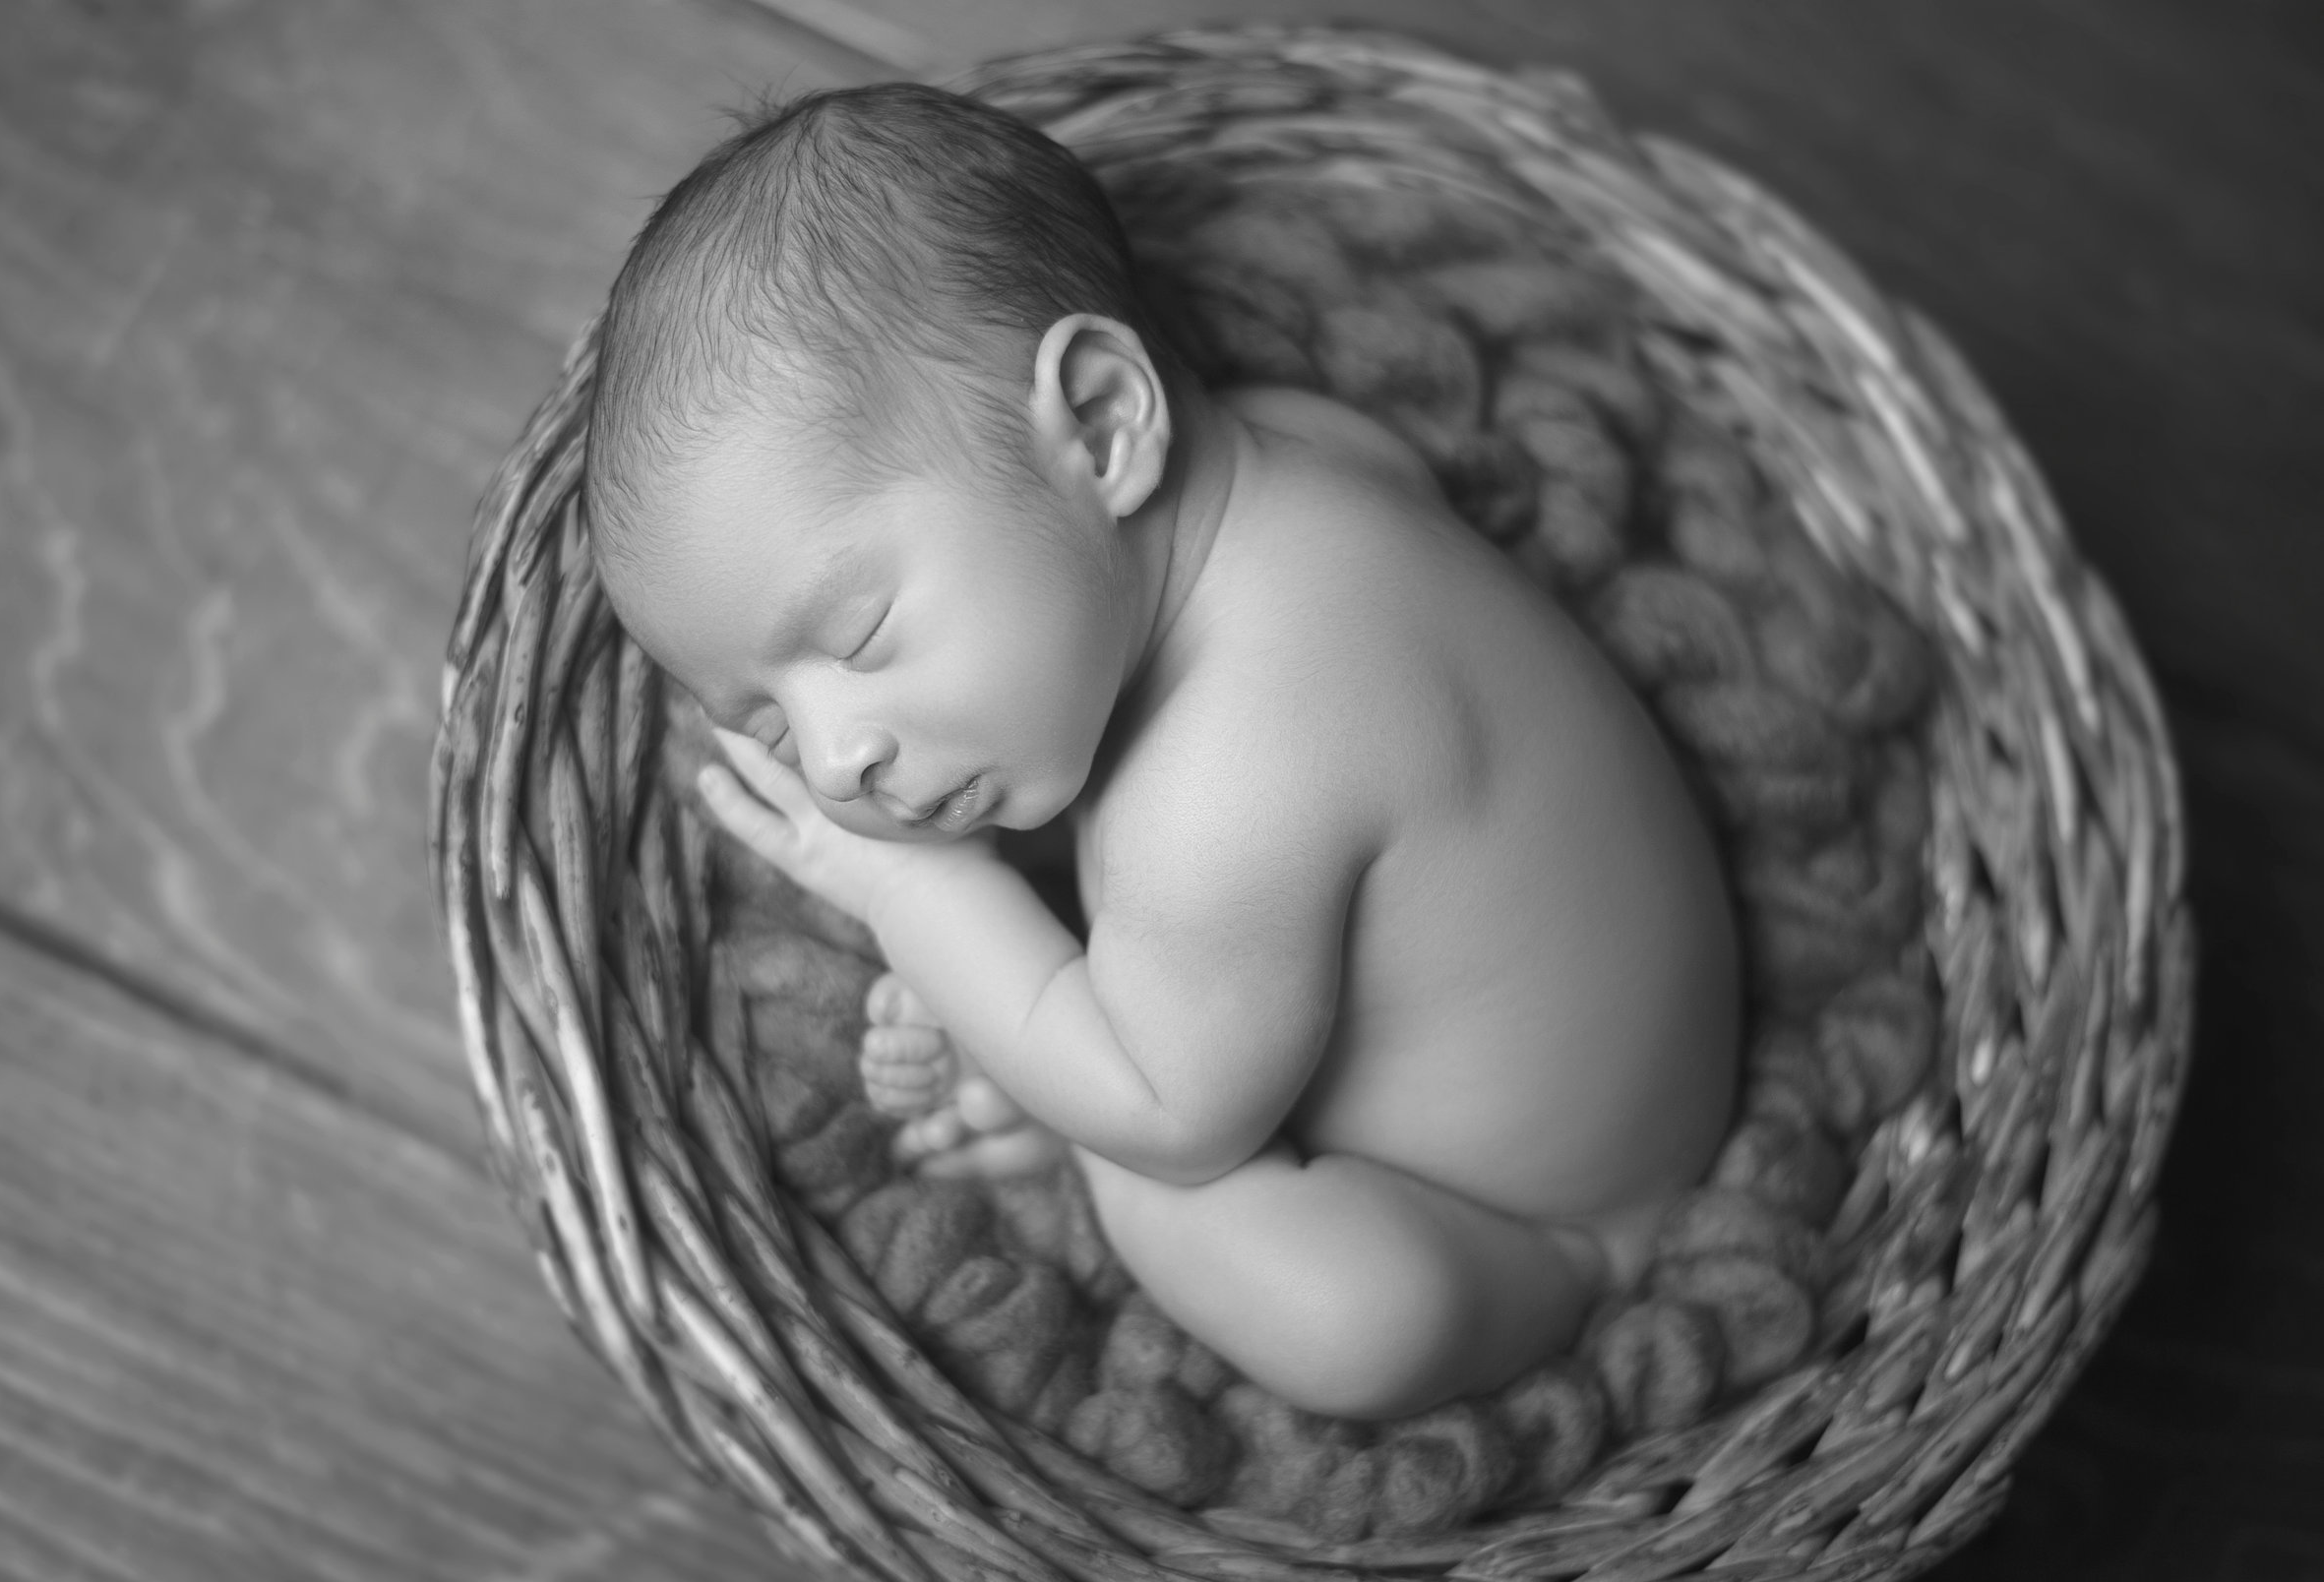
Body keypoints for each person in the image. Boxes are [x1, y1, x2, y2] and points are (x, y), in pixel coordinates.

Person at [583, 83, 1738, 1422]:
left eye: (859, 631)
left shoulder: (1221, 789)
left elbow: (1173, 1111)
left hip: (1536, 1227)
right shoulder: (1304, 450)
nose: (837, 763)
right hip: (1654, 1049)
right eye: (767, 722)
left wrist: (923, 898)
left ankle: (1063, 1121)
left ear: (1105, 423)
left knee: (1364, 1322)